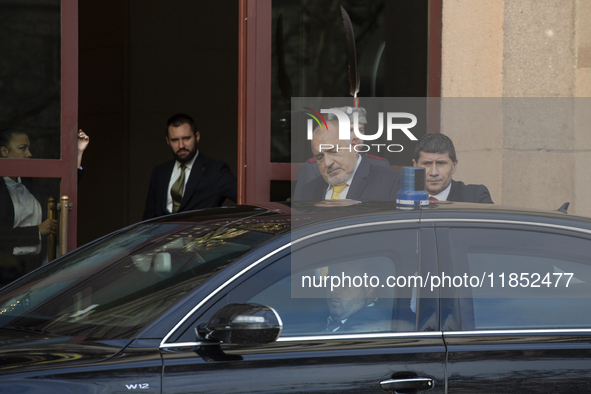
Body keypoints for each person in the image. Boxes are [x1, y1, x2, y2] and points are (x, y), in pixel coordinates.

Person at [143, 113, 237, 220]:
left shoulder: (216, 171)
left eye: (186, 138)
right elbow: (148, 220)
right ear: (167, 141)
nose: (181, 145)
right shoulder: (159, 172)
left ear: (197, 137)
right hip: (163, 236)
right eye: (175, 140)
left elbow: (248, 201)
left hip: (199, 235)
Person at [0, 129, 59, 284]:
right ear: (4, 151)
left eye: (29, 148)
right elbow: (2, 233)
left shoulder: (30, 183)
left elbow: (64, 192)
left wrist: (77, 154)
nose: (29, 154)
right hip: (6, 274)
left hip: (38, 269)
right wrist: (38, 230)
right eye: (22, 148)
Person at [292, 120, 400, 201]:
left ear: (353, 145)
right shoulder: (308, 191)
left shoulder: (390, 183)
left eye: (333, 151)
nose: (327, 163)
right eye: (320, 157)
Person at [412, 133, 493, 203]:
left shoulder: (475, 198)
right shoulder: (401, 198)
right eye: (427, 164)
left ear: (454, 166)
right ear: (415, 166)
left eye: (441, 163)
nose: (434, 173)